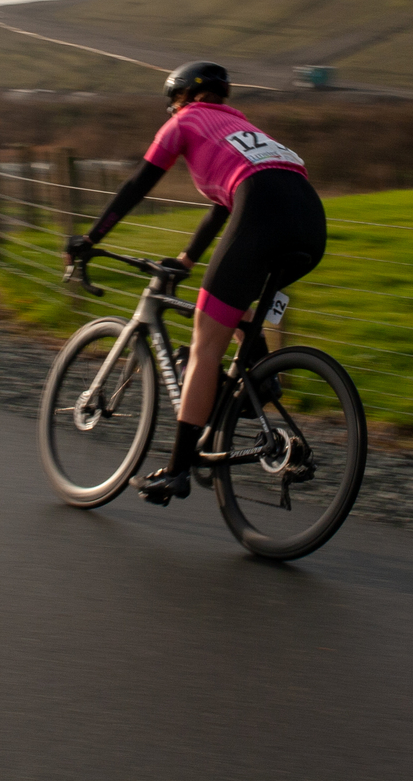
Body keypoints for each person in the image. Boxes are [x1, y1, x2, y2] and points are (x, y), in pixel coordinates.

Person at [66, 61, 326, 504]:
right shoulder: (240, 127)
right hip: (310, 219)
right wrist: (187, 258)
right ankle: (255, 384)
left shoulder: (184, 122)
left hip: (261, 208)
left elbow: (137, 185)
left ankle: (178, 470)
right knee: (241, 310)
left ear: (179, 98)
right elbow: (224, 207)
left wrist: (91, 239)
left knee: (206, 341)